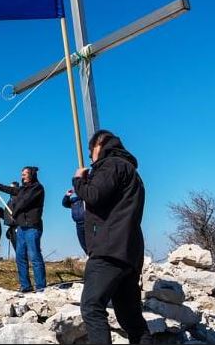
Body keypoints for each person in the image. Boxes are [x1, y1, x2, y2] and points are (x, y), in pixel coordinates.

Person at [72, 130, 151, 344]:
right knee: (131, 319)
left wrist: (78, 180)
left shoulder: (111, 165)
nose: (90, 156)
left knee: (91, 307)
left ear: (100, 144)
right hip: (129, 252)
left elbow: (94, 196)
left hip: (109, 249)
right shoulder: (132, 172)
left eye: (91, 150)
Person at [0, 166, 46, 292]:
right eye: (21, 174)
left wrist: (13, 212)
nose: (22, 176)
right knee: (20, 257)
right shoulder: (21, 189)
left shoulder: (37, 188)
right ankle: (26, 286)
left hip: (33, 228)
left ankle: (41, 287)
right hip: (21, 228)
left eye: (25, 174)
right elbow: (10, 189)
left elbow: (25, 201)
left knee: (34, 256)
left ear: (32, 175)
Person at [62, 188, 87, 254]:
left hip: (88, 222)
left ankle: (93, 256)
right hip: (78, 224)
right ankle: (88, 255)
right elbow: (65, 204)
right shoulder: (74, 200)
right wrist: (67, 195)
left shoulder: (86, 198)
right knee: (82, 241)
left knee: (90, 241)